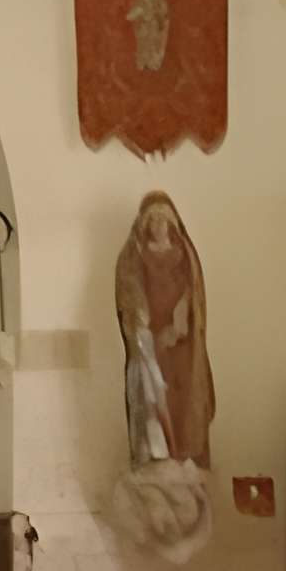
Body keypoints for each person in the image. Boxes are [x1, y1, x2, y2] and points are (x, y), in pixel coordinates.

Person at [114, 192, 213, 469]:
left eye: (163, 219)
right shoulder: (136, 253)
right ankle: (158, 454)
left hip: (180, 341)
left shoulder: (183, 253)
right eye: (153, 220)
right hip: (151, 339)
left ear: (171, 223)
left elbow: (193, 291)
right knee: (154, 393)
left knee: (182, 394)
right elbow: (130, 290)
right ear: (145, 224)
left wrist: (181, 317)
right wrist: (142, 324)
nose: (158, 225)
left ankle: (183, 454)